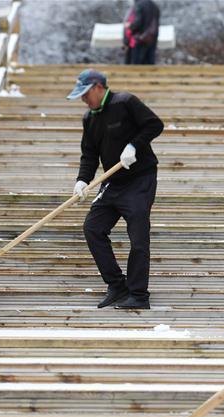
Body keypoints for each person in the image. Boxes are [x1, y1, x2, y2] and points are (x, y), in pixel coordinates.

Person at [67, 69, 164, 310]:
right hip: (113, 182)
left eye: (85, 94)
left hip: (140, 179)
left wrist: (134, 145)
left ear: (99, 87)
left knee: (138, 237)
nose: (83, 100)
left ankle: (139, 294)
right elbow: (89, 154)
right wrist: (82, 180)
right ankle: (117, 284)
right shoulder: (89, 118)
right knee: (93, 227)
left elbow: (155, 125)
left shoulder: (126, 102)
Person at [124, 0, 161, 65]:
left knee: (137, 65)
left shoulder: (139, 5)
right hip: (152, 39)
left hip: (139, 40)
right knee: (150, 64)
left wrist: (130, 25)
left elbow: (138, 22)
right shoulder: (155, 6)